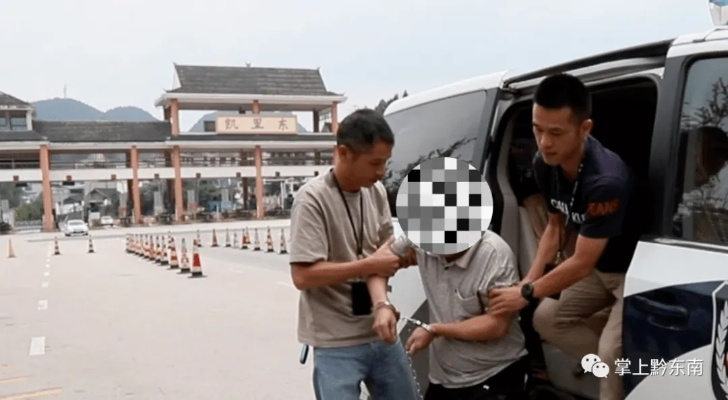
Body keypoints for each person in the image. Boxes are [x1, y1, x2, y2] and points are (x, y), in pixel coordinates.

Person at [488, 73, 637, 400]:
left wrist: (526, 293)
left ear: (585, 129)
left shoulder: (606, 180)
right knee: (546, 319)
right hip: (598, 270)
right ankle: (621, 366)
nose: (544, 142)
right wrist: (529, 280)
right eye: (537, 129)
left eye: (555, 132)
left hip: (631, 273)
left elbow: (581, 262)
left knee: (610, 353)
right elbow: (554, 228)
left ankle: (614, 365)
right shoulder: (545, 163)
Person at [288, 108, 419, 400]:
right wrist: (369, 264)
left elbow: (382, 258)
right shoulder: (312, 199)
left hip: (380, 332)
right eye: (374, 162)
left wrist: (383, 303)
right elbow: (303, 276)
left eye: (386, 162)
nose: (381, 172)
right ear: (344, 153)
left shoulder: (376, 192)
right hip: (335, 343)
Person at [401, 232, 529, 400]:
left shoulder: (494, 254)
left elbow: (497, 326)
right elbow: (384, 258)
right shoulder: (421, 239)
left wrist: (436, 330)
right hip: (444, 378)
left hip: (493, 372)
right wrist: (382, 305)